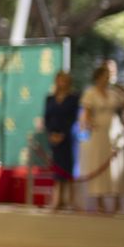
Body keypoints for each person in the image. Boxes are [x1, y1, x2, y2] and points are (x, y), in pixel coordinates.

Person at [78, 62, 124, 215]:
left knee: (116, 165)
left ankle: (117, 201)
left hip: (114, 130)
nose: (107, 78)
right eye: (105, 75)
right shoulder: (91, 93)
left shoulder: (113, 93)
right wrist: (90, 123)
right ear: (98, 77)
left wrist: (121, 88)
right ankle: (100, 202)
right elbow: (86, 112)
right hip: (99, 132)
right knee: (100, 163)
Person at [42, 71, 79, 211]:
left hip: (67, 137)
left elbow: (73, 118)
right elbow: (47, 117)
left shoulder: (73, 98)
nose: (62, 83)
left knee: (67, 167)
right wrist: (51, 134)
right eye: (60, 80)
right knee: (57, 167)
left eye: (64, 80)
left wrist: (63, 134)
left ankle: (69, 199)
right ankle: (57, 199)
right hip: (53, 136)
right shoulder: (50, 98)